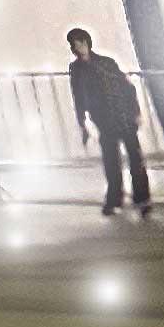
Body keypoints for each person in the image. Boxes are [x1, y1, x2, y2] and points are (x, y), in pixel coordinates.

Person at [65, 30, 153, 216]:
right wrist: (82, 122)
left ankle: (140, 198)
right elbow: (78, 96)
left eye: (81, 43)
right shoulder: (78, 69)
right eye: (76, 44)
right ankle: (116, 198)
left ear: (87, 43)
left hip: (122, 115)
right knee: (112, 160)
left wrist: (135, 111)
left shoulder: (106, 63)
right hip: (104, 118)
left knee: (133, 158)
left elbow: (127, 88)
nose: (79, 47)